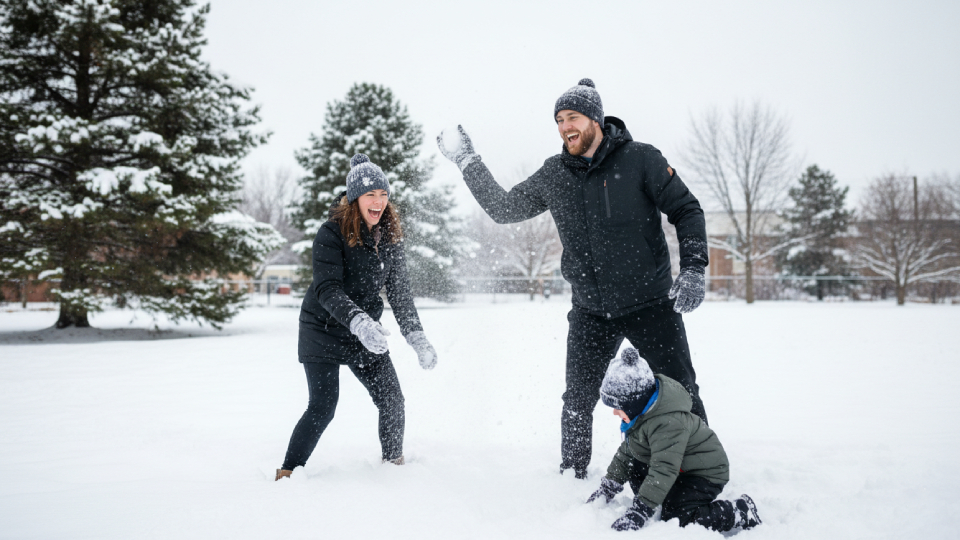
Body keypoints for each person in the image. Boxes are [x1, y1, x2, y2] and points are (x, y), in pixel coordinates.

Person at [438, 78, 709, 478]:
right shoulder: (554, 174)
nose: (566, 127)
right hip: (591, 309)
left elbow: (686, 209)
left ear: (595, 120)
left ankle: (704, 466)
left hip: (650, 303)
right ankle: (571, 474)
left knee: (681, 390)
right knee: (577, 400)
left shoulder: (640, 159)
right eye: (560, 120)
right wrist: (468, 162)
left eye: (574, 117)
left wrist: (694, 268)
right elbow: (502, 208)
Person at [275, 154, 438, 481]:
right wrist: (359, 321)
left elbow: (400, 292)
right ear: (354, 199)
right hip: (322, 330)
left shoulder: (389, 236)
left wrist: (416, 335)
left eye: (383, 194)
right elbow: (327, 288)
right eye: (370, 195)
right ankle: (287, 473)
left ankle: (394, 468)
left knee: (392, 400)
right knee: (323, 406)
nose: (378, 202)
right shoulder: (330, 233)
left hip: (366, 335)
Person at [586, 347, 761, 532]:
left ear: (635, 402)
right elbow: (627, 453)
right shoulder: (642, 414)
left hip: (703, 473)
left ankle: (740, 511)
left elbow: (664, 468)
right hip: (678, 467)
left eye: (618, 407)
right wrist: (609, 486)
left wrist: (641, 509)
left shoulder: (668, 423)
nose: (614, 412)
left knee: (678, 516)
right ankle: (659, 498)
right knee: (635, 467)